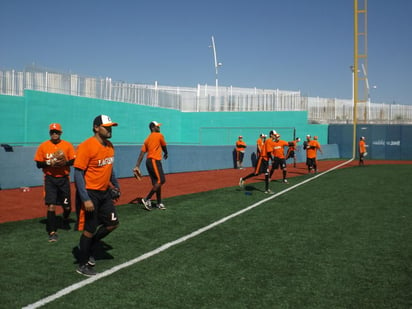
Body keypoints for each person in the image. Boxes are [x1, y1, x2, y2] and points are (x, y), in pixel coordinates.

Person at [74, 115, 120, 276]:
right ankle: (82, 264)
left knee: (113, 223)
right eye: (106, 127)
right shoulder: (87, 146)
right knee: (89, 229)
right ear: (96, 128)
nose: (109, 129)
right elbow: (78, 173)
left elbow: (109, 168)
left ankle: (91, 244)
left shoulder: (109, 146)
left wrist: (116, 185)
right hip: (90, 193)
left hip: (105, 193)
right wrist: (85, 199)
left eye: (111, 126)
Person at [34, 123, 76, 242]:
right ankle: (52, 232)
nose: (54, 134)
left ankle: (65, 217)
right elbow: (38, 164)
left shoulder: (67, 145)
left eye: (56, 132)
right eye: (52, 132)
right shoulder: (43, 146)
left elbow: (73, 160)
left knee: (67, 206)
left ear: (60, 133)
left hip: (63, 178)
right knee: (51, 205)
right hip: (50, 179)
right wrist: (48, 163)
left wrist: (65, 163)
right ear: (50, 133)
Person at [134, 121, 168, 211]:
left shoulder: (147, 139)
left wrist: (137, 165)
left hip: (148, 161)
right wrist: (166, 152)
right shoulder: (159, 135)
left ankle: (159, 203)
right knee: (161, 180)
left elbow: (142, 153)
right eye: (157, 126)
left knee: (156, 183)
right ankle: (147, 199)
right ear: (153, 128)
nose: (159, 128)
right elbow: (164, 146)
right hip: (154, 160)